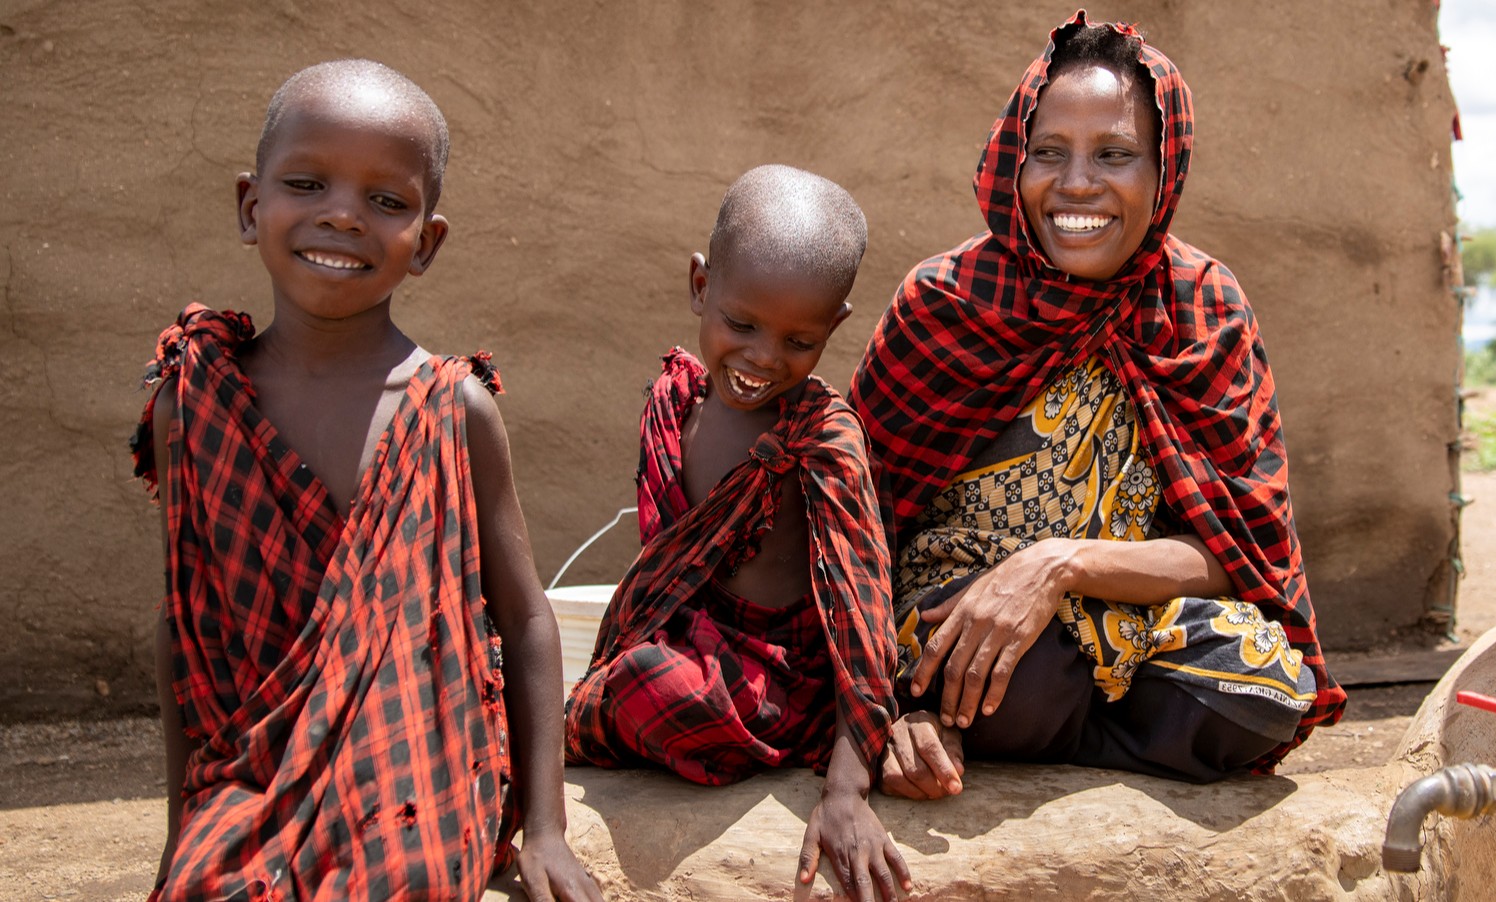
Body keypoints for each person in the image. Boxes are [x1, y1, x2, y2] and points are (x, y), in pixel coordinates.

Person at [133, 60, 600, 901]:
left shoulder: (451, 409)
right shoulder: (195, 407)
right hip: (247, 768)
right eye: (307, 183)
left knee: (398, 881)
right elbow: (185, 634)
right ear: (250, 206)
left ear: (426, 242)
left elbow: (527, 618)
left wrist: (547, 829)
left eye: (387, 202)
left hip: (416, 762)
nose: (342, 215)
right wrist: (183, 833)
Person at [849, 14, 1347, 799]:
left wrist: (1059, 563)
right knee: (1016, 667)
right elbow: (856, 528)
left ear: (1164, 170)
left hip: (1131, 615)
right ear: (1013, 162)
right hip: (957, 620)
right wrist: (884, 707)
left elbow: (1236, 554)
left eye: (1114, 155)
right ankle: (1024, 721)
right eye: (1048, 153)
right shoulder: (944, 303)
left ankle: (1040, 735)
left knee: (1262, 685)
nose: (1077, 184)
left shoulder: (1202, 308)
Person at [562, 165, 908, 901]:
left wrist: (846, 791)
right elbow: (662, 575)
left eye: (798, 339)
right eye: (741, 324)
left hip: (771, 681)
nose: (762, 358)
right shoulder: (675, 399)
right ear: (699, 286)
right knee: (616, 674)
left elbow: (863, 618)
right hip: (679, 644)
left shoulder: (823, 439)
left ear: (835, 328)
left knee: (651, 684)